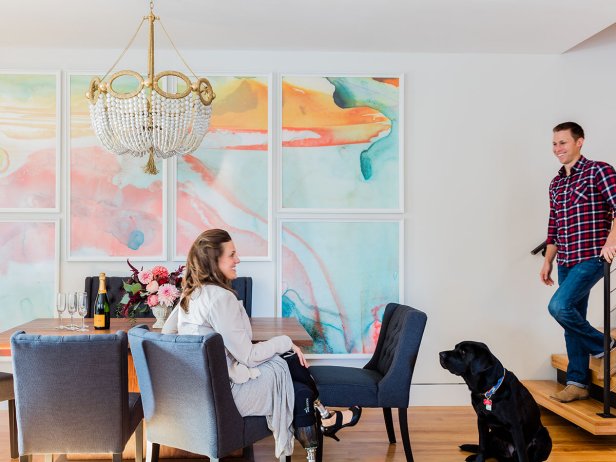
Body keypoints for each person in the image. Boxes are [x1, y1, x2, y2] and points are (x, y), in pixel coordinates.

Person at [162, 229, 361, 460]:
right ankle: (325, 417)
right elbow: (247, 356)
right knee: (296, 380)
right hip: (227, 394)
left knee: (290, 369)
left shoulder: (192, 293)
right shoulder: (220, 298)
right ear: (213, 261)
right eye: (232, 255)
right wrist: (285, 341)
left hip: (201, 389)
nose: (238, 260)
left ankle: (325, 418)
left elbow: (167, 332)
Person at [540, 122, 616, 403]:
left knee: (558, 306)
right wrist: (548, 261)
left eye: (563, 142)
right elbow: (554, 227)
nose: (558, 148)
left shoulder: (599, 170)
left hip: (593, 256)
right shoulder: (556, 183)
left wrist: (611, 241)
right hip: (566, 259)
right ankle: (577, 382)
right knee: (572, 317)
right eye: (554, 144)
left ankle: (605, 345)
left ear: (579, 142)